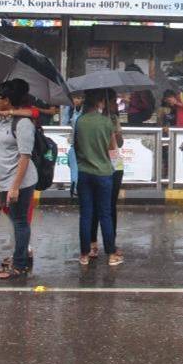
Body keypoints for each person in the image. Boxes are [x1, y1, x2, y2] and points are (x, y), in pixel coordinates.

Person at [0, 79, 39, 278]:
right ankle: (20, 255)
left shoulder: (23, 123)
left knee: (20, 222)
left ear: (8, 101)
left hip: (20, 180)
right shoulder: (1, 119)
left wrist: (15, 187)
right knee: (14, 220)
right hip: (4, 178)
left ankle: (20, 265)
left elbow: (25, 156)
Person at [74, 89, 121, 266]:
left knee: (86, 214)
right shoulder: (106, 122)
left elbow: (76, 145)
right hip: (103, 172)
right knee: (105, 214)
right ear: (100, 102)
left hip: (84, 172)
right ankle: (111, 254)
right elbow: (112, 147)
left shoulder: (80, 121)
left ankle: (84, 254)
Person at [90, 90, 124, 260]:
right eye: (113, 102)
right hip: (98, 164)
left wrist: (116, 133)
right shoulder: (91, 119)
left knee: (111, 207)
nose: (115, 105)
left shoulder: (114, 119)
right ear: (103, 102)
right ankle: (92, 243)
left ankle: (111, 243)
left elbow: (120, 143)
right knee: (95, 206)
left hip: (115, 164)